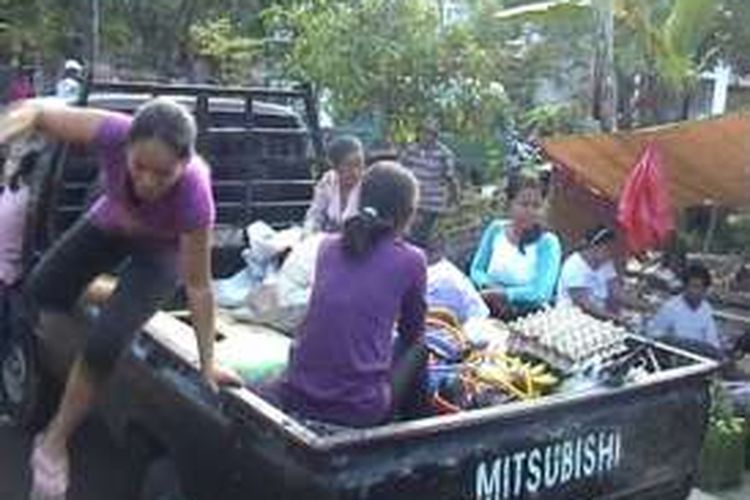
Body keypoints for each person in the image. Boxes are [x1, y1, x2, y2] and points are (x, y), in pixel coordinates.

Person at [0, 97, 241, 498]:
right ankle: (121, 292)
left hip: (159, 255)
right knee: (40, 290)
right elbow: (38, 112)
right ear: (126, 147)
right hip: (111, 222)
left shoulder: (196, 195)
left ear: (184, 164)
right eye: (139, 167)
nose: (147, 181)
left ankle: (55, 443)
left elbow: (199, 286)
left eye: (162, 174)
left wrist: (207, 364)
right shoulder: (112, 130)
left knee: (105, 344)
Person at [280, 161, 428, 427]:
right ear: (408, 215)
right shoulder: (412, 260)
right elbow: (413, 333)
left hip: (298, 396)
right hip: (360, 409)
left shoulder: (327, 247)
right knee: (420, 349)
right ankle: (417, 438)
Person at [470, 173, 562, 319]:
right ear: (509, 204)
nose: (530, 211)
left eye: (536, 206)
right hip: (487, 306)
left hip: (526, 318)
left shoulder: (548, 243)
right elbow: (477, 269)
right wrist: (488, 285)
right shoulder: (496, 230)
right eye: (524, 204)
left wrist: (504, 294)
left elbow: (541, 292)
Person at [400, 117, 459, 243]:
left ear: (436, 136)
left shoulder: (444, 154)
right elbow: (399, 173)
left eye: (431, 133)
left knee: (419, 238)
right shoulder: (410, 151)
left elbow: (451, 179)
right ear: (419, 133)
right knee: (406, 236)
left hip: (431, 204)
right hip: (411, 202)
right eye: (424, 132)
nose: (427, 136)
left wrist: (453, 201)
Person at [647, 263, 723, 359]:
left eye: (699, 287)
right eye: (692, 286)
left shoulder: (706, 308)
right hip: (674, 358)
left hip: (700, 359)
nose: (695, 291)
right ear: (684, 286)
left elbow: (712, 341)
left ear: (705, 290)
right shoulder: (670, 308)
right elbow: (654, 336)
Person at [557, 225, 622, 322]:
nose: (610, 252)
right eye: (606, 247)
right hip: (574, 318)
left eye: (611, 247)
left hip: (600, 316)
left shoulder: (605, 263)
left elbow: (616, 292)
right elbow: (584, 305)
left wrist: (647, 306)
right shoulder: (574, 266)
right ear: (593, 247)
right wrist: (615, 318)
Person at [304, 135, 364, 233]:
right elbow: (315, 214)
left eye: (359, 164)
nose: (356, 172)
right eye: (348, 166)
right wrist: (309, 232)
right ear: (336, 167)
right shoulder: (328, 181)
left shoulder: (369, 185)